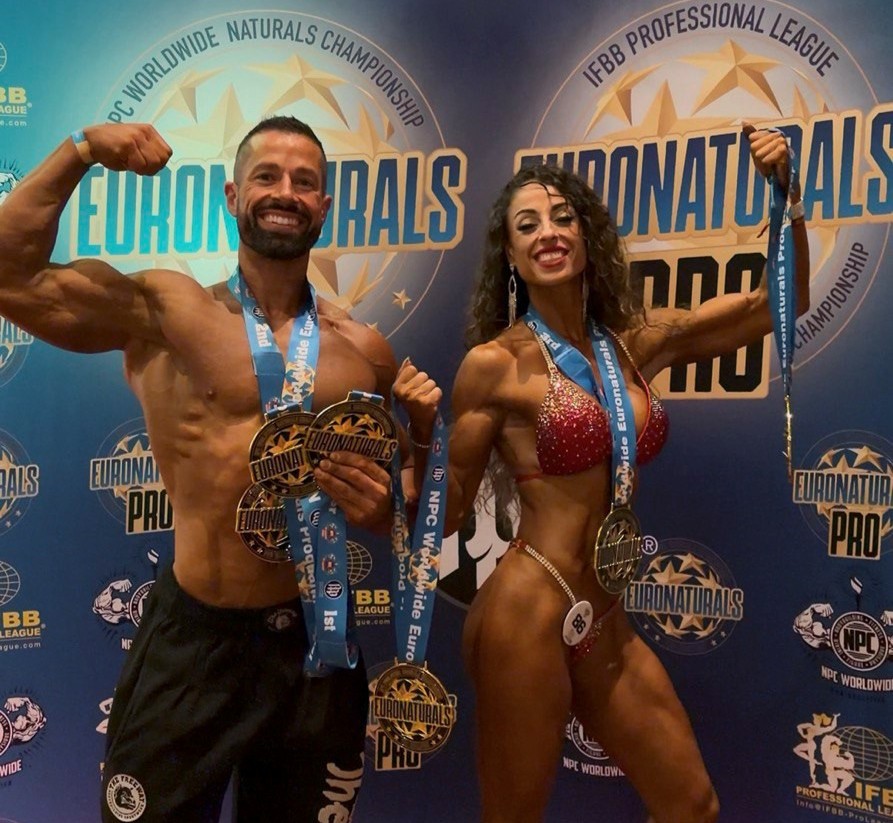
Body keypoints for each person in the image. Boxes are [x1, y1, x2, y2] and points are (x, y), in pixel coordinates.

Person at [0, 117, 415, 822]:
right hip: (196, 640)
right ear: (231, 194)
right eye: (267, 175)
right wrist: (80, 152)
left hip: (317, 642)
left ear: (324, 207)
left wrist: (385, 511)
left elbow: (397, 500)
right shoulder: (168, 310)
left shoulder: (361, 350)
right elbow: (10, 274)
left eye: (303, 181)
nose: (285, 191)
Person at [394, 124, 809, 822]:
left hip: (605, 615)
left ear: (587, 238)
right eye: (527, 225)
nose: (547, 232)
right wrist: (420, 434)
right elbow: (445, 511)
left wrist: (787, 198)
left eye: (562, 217)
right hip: (525, 613)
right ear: (512, 259)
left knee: (691, 804)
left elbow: (781, 302)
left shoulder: (635, 343)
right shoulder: (495, 365)